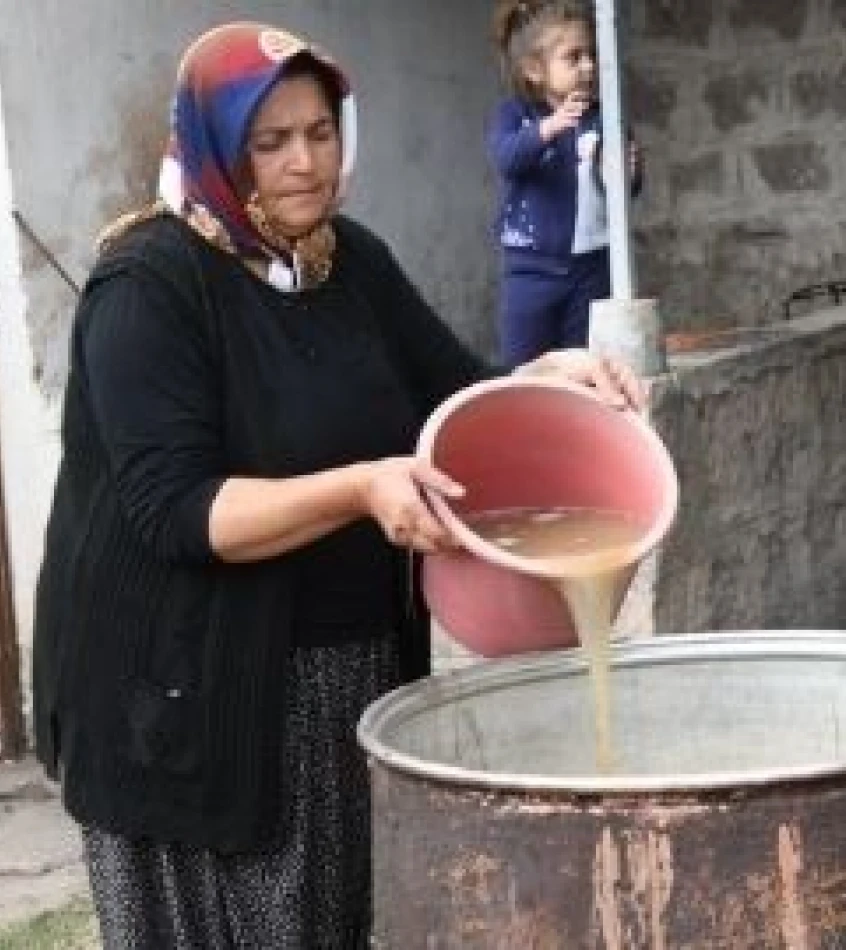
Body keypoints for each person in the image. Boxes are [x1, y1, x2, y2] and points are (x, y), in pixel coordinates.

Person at [29, 22, 644, 948]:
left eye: (320, 132)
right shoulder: (148, 288)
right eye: (269, 142)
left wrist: (547, 374)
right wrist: (360, 488)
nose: (305, 163)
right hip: (181, 700)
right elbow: (182, 514)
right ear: (211, 147)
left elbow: (453, 393)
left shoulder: (345, 261)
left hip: (337, 684)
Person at [490, 0, 643, 364]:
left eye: (590, 54)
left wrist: (629, 174)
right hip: (531, 270)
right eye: (573, 57)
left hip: (592, 268)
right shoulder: (517, 116)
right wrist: (547, 130)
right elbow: (506, 159)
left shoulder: (604, 117)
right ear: (533, 70)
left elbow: (623, 192)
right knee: (528, 367)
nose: (588, 66)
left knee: (585, 364)